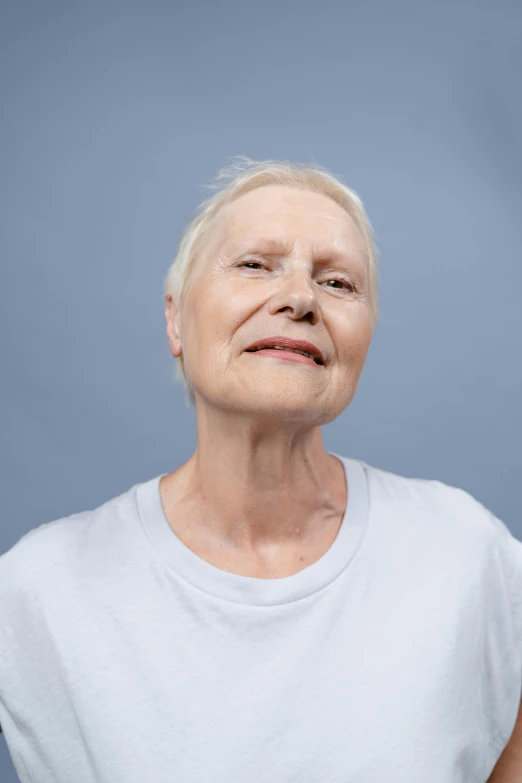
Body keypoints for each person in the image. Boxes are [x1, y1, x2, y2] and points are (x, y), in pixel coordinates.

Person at [0, 156, 520, 782]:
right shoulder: (35, 592)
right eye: (253, 265)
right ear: (175, 319)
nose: (300, 298)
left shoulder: (467, 552)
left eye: (339, 283)